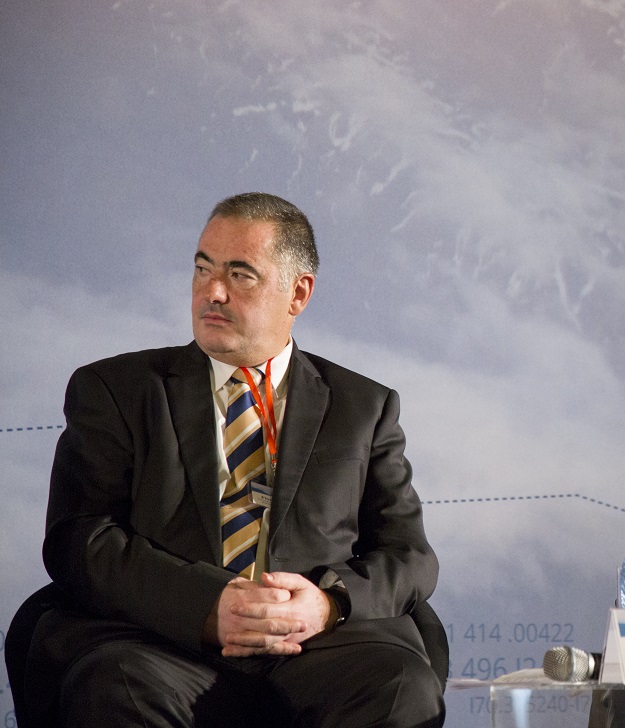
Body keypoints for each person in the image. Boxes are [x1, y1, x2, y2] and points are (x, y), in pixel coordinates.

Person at [24, 193, 444, 727]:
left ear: (298, 293)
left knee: (399, 689)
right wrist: (207, 604)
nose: (212, 292)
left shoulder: (363, 407)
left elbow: (409, 555)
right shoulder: (117, 390)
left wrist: (327, 604)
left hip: (318, 646)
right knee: (117, 686)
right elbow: (80, 539)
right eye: (203, 269)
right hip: (162, 641)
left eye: (240, 275)